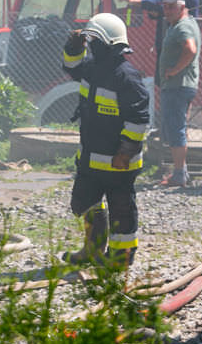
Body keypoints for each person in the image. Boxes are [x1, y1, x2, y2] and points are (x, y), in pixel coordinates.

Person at [60, 13, 150, 267]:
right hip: (91, 156)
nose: (91, 45)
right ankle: (93, 249)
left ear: (109, 43)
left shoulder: (127, 77)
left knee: (121, 209)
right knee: (84, 201)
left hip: (118, 161)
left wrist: (126, 151)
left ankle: (121, 257)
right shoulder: (92, 67)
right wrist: (73, 47)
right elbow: (71, 66)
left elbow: (138, 119)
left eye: (94, 40)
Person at [118, 0, 200, 77]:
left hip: (179, 43)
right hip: (165, 40)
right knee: (161, 78)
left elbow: (159, 4)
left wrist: (133, 1)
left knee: (175, 78)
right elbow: (159, 9)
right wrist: (156, 13)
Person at [157, 0, 201, 187]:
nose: (167, 10)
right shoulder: (184, 23)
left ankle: (179, 174)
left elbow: (190, 50)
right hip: (180, 85)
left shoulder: (182, 26)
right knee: (179, 129)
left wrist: (174, 70)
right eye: (165, 7)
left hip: (177, 86)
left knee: (176, 130)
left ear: (182, 6)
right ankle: (181, 172)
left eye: (171, 7)